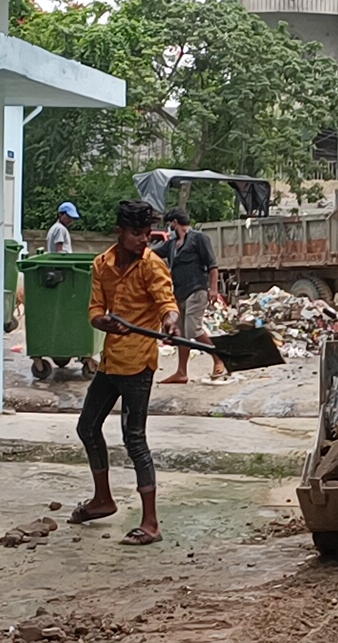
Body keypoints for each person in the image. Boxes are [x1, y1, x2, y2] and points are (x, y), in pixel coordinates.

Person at [68, 200, 180, 546]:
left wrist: (170, 322)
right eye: (136, 234)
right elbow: (95, 310)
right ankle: (103, 500)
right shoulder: (101, 264)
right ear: (119, 232)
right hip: (111, 361)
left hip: (139, 365)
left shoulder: (153, 266)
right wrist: (101, 321)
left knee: (134, 439)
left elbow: (168, 304)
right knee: (87, 427)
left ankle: (151, 524)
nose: (143, 240)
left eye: (147, 234)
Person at [155, 208, 228, 383]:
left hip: (197, 290)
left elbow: (212, 266)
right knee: (181, 334)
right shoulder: (172, 245)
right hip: (179, 294)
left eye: (169, 224)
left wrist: (213, 289)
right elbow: (152, 253)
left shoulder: (198, 239)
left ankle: (220, 359)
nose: (169, 228)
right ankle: (181, 372)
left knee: (193, 329)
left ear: (174, 223)